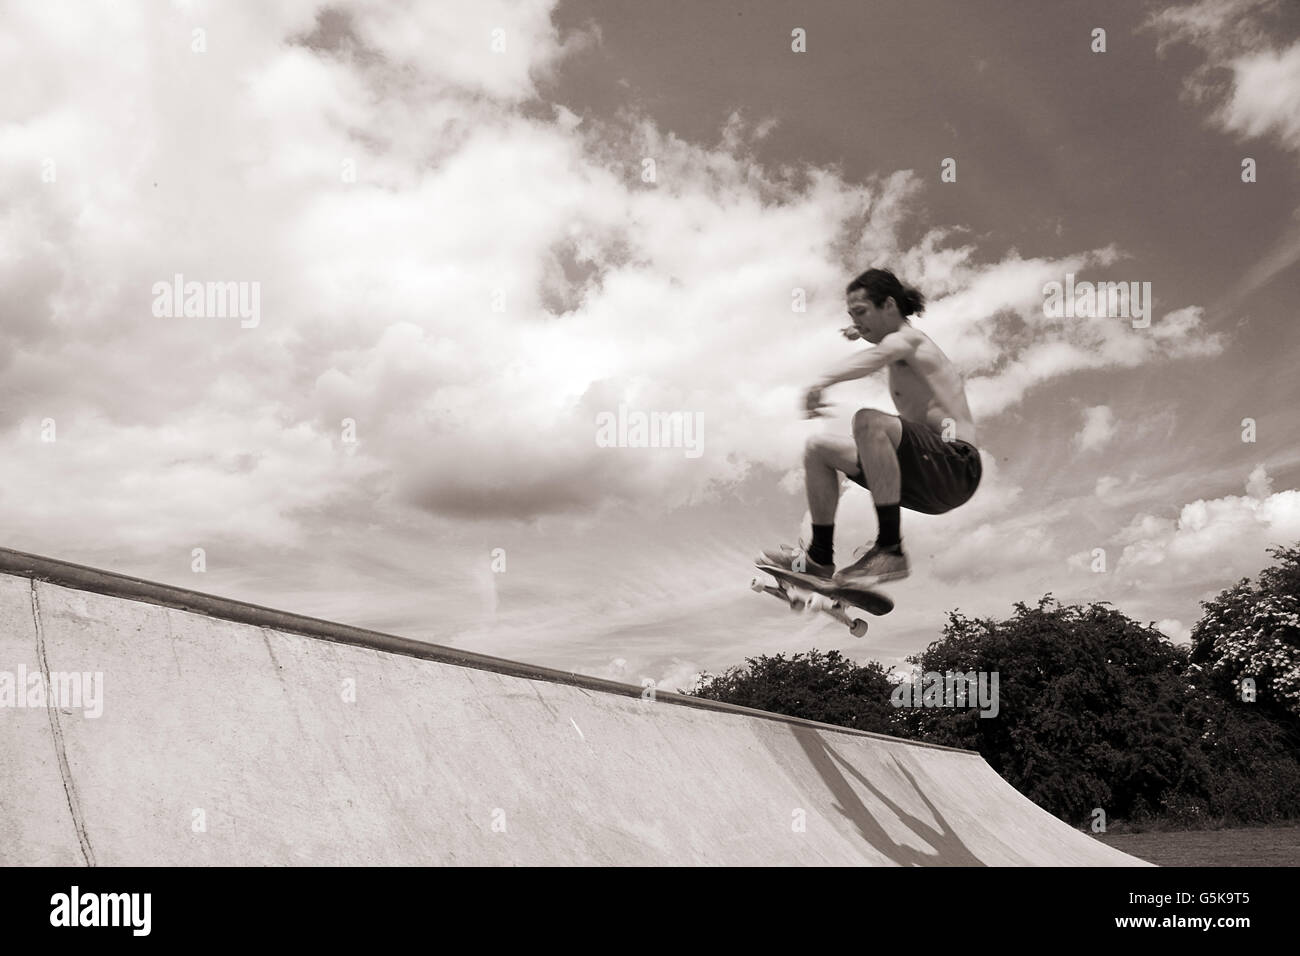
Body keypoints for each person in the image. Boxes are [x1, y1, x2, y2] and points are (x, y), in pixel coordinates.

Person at [761, 268, 982, 587]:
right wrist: (859, 328)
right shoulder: (895, 340)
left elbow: (879, 355)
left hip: (957, 465)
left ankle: (890, 549)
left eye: (862, 313)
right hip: (925, 477)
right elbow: (878, 339)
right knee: (817, 449)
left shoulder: (908, 339)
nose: (857, 323)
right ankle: (819, 558)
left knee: (868, 421)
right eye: (851, 316)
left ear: (889, 306)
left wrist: (823, 382)